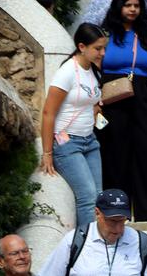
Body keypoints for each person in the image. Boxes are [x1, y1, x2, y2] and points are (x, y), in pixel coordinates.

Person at [97, 0, 147, 221]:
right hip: (112, 95)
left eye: (136, 5)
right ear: (118, 6)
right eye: (127, 5)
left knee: (146, 152)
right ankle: (115, 210)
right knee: (115, 152)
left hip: (143, 94)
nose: (132, 9)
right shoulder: (104, 33)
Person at [39, 23, 108, 226]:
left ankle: (98, 240)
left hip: (90, 140)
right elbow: (48, 112)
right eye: (97, 48)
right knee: (87, 197)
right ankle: (87, 246)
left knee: (99, 197)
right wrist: (47, 153)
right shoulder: (67, 71)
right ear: (81, 46)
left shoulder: (94, 70)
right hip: (67, 143)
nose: (102, 53)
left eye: (104, 48)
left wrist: (96, 110)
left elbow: (90, 103)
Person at [39, 189, 147, 276]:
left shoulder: (141, 242)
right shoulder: (74, 240)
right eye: (112, 221)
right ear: (97, 213)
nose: (117, 229)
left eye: (122, 221)